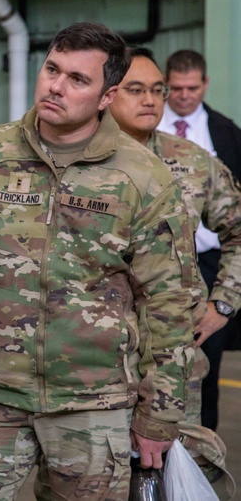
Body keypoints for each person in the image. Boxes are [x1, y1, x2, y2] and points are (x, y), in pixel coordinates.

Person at [0, 22, 202, 500]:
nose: (55, 86)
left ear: (107, 96)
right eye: (52, 69)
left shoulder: (141, 176)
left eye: (77, 79)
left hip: (93, 404)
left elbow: (170, 300)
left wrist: (162, 410)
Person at [108, 47, 239, 495]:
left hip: (173, 359)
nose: (151, 100)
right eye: (136, 90)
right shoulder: (78, 160)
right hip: (93, 361)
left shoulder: (193, 161)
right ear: (108, 94)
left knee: (174, 472)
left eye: (158, 91)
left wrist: (224, 302)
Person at [156, 48, 241, 431]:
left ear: (205, 84)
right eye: (177, 88)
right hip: (156, 263)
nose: (185, 95)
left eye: (192, 87)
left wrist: (222, 301)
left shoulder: (226, 132)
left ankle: (201, 450)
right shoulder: (145, 128)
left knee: (206, 364)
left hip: (208, 261)